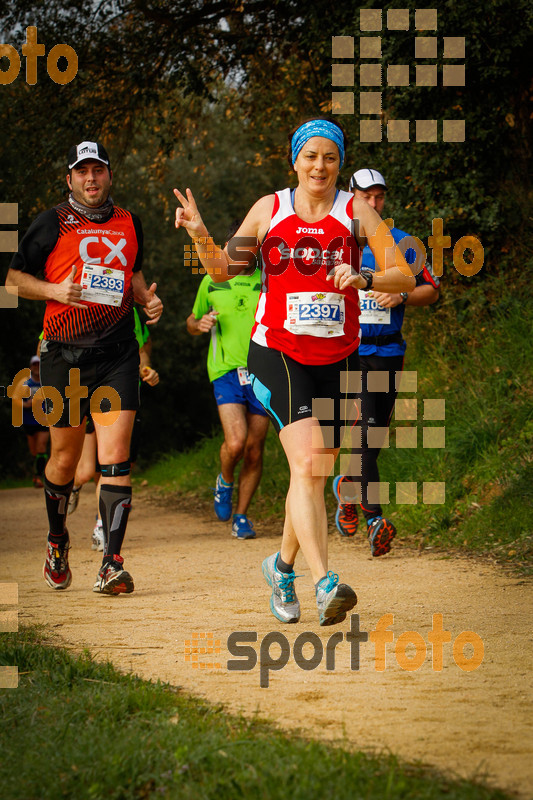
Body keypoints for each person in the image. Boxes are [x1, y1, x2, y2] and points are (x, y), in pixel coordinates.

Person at [174, 118, 415, 626]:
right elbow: (222, 270)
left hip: (339, 358)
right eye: (311, 156)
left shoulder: (356, 213)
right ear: (295, 161)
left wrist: (365, 273)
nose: (319, 166)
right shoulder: (271, 209)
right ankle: (325, 583)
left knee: (314, 471)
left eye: (329, 157)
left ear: (340, 164)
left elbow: (403, 273)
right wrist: (200, 234)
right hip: (278, 353)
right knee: (308, 465)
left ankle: (280, 568)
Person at [6, 140, 163, 595]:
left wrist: (147, 301)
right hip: (64, 354)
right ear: (70, 178)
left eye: (98, 170)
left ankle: (111, 563)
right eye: (82, 171)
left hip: (117, 352)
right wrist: (55, 292)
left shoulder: (130, 221)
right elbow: (13, 280)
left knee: (116, 460)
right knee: (65, 460)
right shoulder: (50, 221)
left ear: (109, 175)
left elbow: (131, 276)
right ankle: (57, 541)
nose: (91, 178)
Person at [332, 168, 440, 554]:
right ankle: (375, 517)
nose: (373, 203)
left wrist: (402, 296)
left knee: (374, 434)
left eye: (379, 196)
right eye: (366, 196)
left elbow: (431, 290)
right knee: (365, 430)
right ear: (351, 195)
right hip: (350, 352)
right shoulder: (336, 238)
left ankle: (347, 488)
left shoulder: (402, 243)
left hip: (389, 351)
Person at [186, 226, 269, 540]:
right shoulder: (212, 280)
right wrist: (200, 323)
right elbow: (191, 322)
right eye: (236, 246)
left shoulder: (267, 282)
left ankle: (242, 515)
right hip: (225, 370)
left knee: (254, 449)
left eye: (249, 246)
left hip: (262, 371)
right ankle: (224, 480)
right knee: (235, 443)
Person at [68, 307, 160, 552]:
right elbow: (46, 345)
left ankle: (101, 525)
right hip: (81, 389)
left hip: (118, 391)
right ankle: (73, 486)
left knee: (114, 465)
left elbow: (141, 350)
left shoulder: (130, 310)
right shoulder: (72, 303)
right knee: (86, 471)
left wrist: (146, 370)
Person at [15, 354, 50, 488]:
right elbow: (16, 400)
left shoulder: (47, 381)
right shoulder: (25, 383)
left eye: (39, 365)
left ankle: (39, 476)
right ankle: (38, 473)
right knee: (34, 451)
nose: (37, 367)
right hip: (29, 421)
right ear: (31, 366)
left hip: (43, 420)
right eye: (35, 365)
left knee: (41, 447)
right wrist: (26, 405)